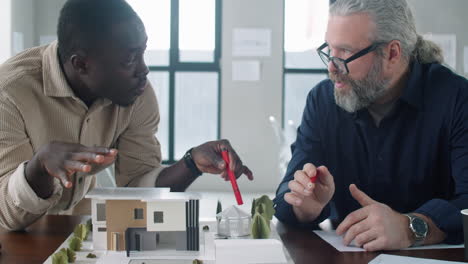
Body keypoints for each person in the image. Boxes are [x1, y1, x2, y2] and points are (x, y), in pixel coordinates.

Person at [0, 0, 253, 231]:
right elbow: (8, 215)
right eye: (129, 59)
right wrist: (39, 167)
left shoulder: (136, 93)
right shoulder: (9, 94)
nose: (144, 70)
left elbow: (137, 187)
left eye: (142, 52)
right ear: (81, 64)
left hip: (73, 226)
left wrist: (191, 163)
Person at [274, 0, 468, 251]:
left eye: (344, 52)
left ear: (392, 53)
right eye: (329, 50)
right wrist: (305, 208)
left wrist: (412, 227)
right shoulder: (322, 101)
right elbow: (285, 198)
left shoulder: (456, 99)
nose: (331, 68)